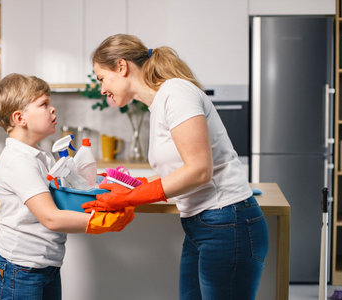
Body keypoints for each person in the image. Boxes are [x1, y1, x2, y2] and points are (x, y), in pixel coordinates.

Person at [82, 34, 269, 300]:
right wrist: (124, 188)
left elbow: (199, 170)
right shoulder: (159, 103)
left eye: (102, 78)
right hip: (202, 225)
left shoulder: (176, 93)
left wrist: (130, 198)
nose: (101, 89)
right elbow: (176, 174)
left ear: (121, 67)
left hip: (227, 222)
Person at [0, 73, 134, 300]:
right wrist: (101, 222)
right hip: (21, 267)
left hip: (43, 264)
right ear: (19, 118)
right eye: (43, 104)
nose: (53, 109)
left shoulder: (41, 156)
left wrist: (101, 189)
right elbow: (51, 218)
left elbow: (63, 196)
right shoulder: (18, 161)